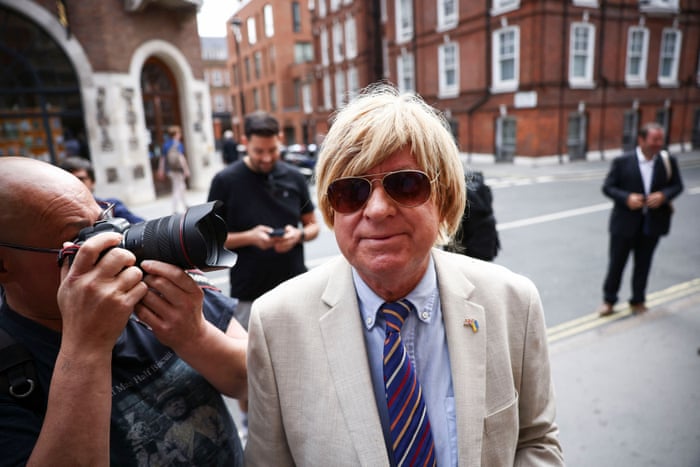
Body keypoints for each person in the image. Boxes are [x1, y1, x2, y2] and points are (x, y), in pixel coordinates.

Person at [245, 84, 563, 466]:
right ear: (332, 209)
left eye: (405, 184)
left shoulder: (514, 303)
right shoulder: (275, 323)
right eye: (351, 191)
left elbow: (536, 440)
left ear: (443, 198)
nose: (377, 209)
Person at [0, 157, 247, 466]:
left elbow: (246, 382)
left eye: (102, 220)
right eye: (80, 240)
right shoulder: (10, 365)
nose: (114, 243)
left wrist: (195, 335)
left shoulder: (155, 284)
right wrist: (86, 346)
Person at [207, 111, 320, 330]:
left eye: (273, 150)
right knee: (250, 362)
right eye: (259, 151)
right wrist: (250, 237)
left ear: (279, 140)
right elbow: (210, 240)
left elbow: (313, 225)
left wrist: (299, 235)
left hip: (296, 287)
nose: (267, 158)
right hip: (250, 294)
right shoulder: (224, 181)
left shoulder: (295, 177)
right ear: (245, 142)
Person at [596, 122, 684, 317]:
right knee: (616, 264)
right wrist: (626, 198)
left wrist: (663, 195)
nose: (658, 143)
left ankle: (638, 300)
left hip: (652, 224)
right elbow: (608, 187)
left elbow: (677, 186)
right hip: (623, 224)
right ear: (641, 140)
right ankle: (609, 300)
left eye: (661, 139)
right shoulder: (622, 161)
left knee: (643, 264)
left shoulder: (667, 160)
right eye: (654, 139)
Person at [59, 156, 145, 224]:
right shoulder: (58, 215)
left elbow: (141, 227)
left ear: (93, 182)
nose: (76, 184)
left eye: (81, 179)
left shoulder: (111, 207)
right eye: (70, 179)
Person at [445, 170, 500, 261]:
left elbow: (456, 225)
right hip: (488, 239)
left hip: (472, 244)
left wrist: (450, 249)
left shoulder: (463, 195)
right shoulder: (484, 190)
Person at [158, 125, 190, 214]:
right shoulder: (178, 144)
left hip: (170, 170)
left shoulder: (166, 145)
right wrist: (186, 169)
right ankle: (176, 208)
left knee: (181, 187)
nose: (180, 135)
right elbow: (181, 158)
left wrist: (161, 170)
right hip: (178, 170)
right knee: (177, 188)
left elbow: (162, 159)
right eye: (179, 133)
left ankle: (185, 205)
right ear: (176, 134)